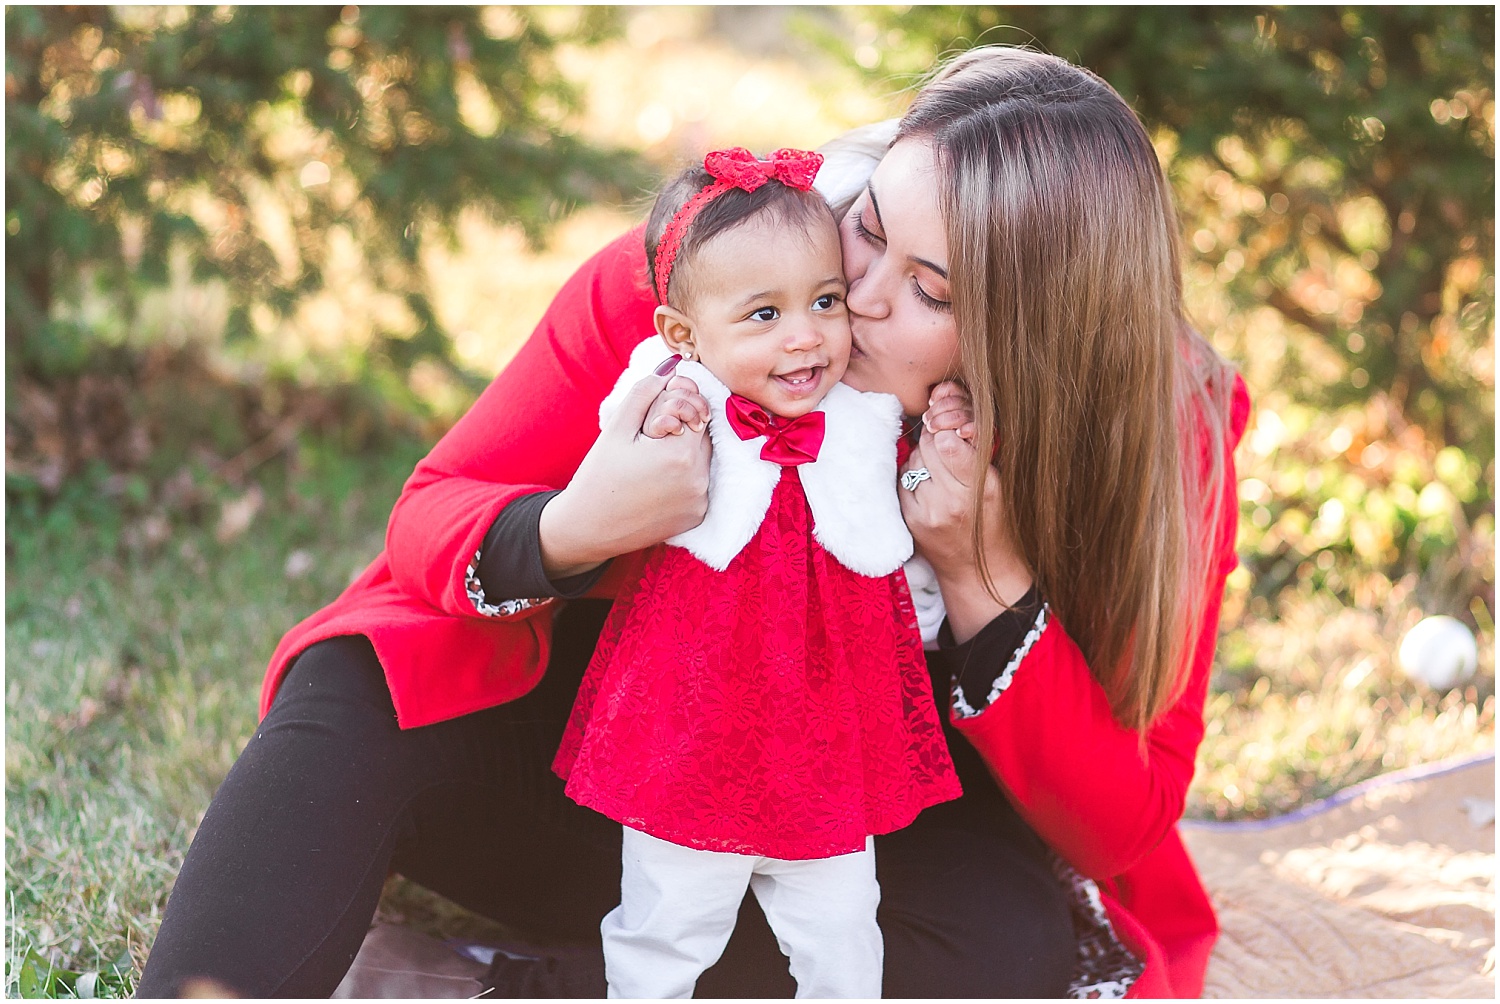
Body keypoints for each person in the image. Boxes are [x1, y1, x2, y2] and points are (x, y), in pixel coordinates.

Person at [135, 45, 1247, 1000]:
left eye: (932, 291)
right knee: (371, 673)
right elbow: (431, 516)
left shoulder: (1160, 435)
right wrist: (574, 524)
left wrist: (980, 583)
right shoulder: (716, 279)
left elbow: (1125, 825)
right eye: (868, 226)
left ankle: (486, 980)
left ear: (1035, 338)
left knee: (1004, 944)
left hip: (856, 827)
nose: (854, 296)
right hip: (608, 777)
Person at [555, 145, 961, 998]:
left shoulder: (864, 412)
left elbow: (909, 500)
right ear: (685, 335)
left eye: (824, 300)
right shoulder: (682, 397)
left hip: (825, 732)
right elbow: (619, 427)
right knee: (671, 912)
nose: (806, 335)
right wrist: (664, 409)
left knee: (842, 920)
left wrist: (950, 432)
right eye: (764, 315)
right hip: (694, 724)